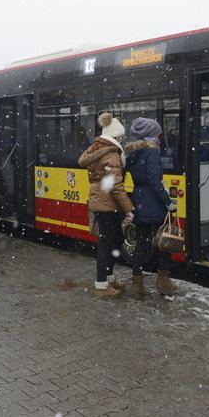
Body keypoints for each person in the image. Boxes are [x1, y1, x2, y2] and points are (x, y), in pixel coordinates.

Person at [78, 112, 135, 297]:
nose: (123, 138)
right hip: (106, 205)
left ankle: (109, 279)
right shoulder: (111, 154)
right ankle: (102, 285)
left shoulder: (97, 149)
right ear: (116, 136)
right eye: (121, 135)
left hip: (103, 203)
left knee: (114, 240)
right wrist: (129, 209)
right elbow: (116, 186)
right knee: (106, 245)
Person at [124, 117, 178, 298]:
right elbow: (155, 181)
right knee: (164, 241)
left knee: (141, 243)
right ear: (150, 134)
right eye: (157, 133)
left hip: (139, 198)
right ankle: (163, 282)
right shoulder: (152, 152)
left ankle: (136, 286)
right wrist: (168, 202)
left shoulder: (132, 152)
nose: (159, 136)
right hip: (153, 201)